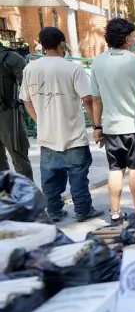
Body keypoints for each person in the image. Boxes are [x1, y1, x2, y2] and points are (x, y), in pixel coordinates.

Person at [21, 27, 103, 222]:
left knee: (49, 178)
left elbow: (27, 101)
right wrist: (98, 125)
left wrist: (41, 121)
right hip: (73, 134)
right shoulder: (73, 68)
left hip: (47, 135)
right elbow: (88, 100)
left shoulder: (30, 68)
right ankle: (83, 210)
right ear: (62, 44)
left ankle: (55, 212)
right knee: (78, 176)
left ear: (42, 45)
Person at [91, 18, 135, 225]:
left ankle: (116, 213)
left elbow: (96, 98)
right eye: (133, 36)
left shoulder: (98, 62)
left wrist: (97, 125)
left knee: (115, 169)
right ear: (128, 38)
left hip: (111, 126)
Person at [0, 42, 33, 179]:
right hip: (7, 115)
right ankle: (7, 197)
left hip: (8, 113)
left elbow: (29, 87)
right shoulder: (10, 57)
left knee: (18, 155)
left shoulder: (9, 57)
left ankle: (25, 197)